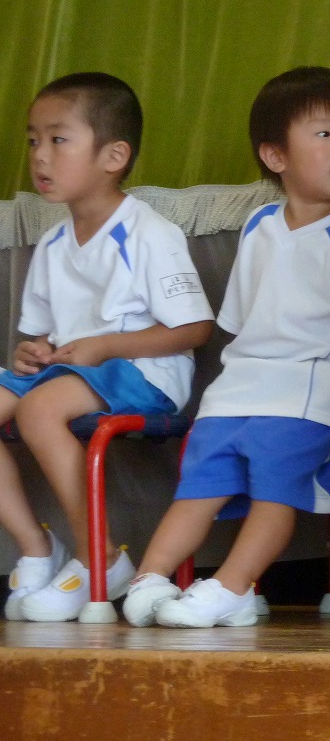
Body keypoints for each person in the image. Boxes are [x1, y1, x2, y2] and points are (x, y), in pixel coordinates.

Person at [121, 66, 330, 628]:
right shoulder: (259, 223)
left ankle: (232, 588)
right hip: (238, 386)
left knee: (274, 491)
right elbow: (241, 323)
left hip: (310, 390)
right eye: (324, 133)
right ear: (275, 156)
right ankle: (149, 578)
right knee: (199, 486)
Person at [1, 72, 215, 622]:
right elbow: (41, 335)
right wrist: (33, 353)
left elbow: (195, 328)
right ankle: (36, 547)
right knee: (27, 398)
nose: (40, 156)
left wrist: (104, 346)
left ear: (114, 156)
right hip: (73, 375)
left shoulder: (148, 232)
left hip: (146, 373)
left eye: (58, 139)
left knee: (39, 409)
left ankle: (100, 556)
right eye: (33, 140)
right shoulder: (52, 243)